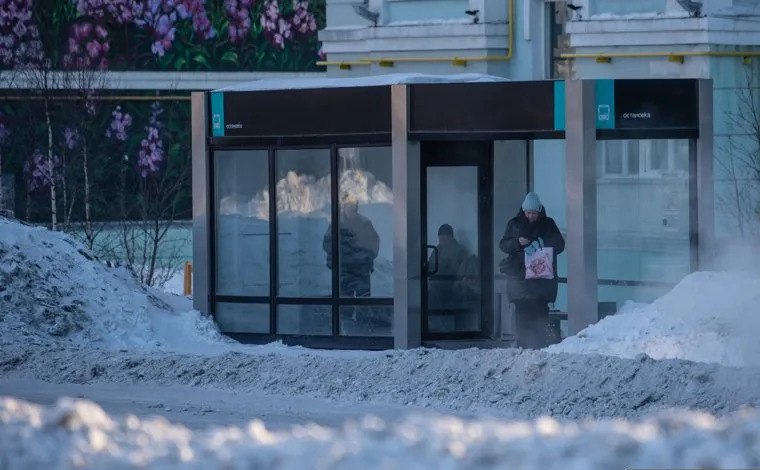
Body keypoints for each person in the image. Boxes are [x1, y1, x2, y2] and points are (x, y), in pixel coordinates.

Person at [499, 192, 565, 349]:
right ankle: (522, 345)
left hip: (541, 279)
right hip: (519, 279)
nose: (530, 216)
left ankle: (539, 345)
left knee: (540, 312)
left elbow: (560, 244)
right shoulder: (514, 224)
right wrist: (517, 242)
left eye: (534, 213)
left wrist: (543, 243)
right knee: (521, 313)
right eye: (528, 213)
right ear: (523, 211)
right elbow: (503, 245)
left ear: (539, 211)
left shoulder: (548, 224)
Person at [323, 193, 380, 297]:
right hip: (343, 271)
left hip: (361, 271)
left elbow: (374, 243)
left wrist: (365, 257)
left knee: (363, 305)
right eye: (350, 205)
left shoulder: (365, 223)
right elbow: (327, 244)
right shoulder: (336, 224)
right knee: (344, 307)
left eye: (355, 205)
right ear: (344, 206)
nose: (353, 208)